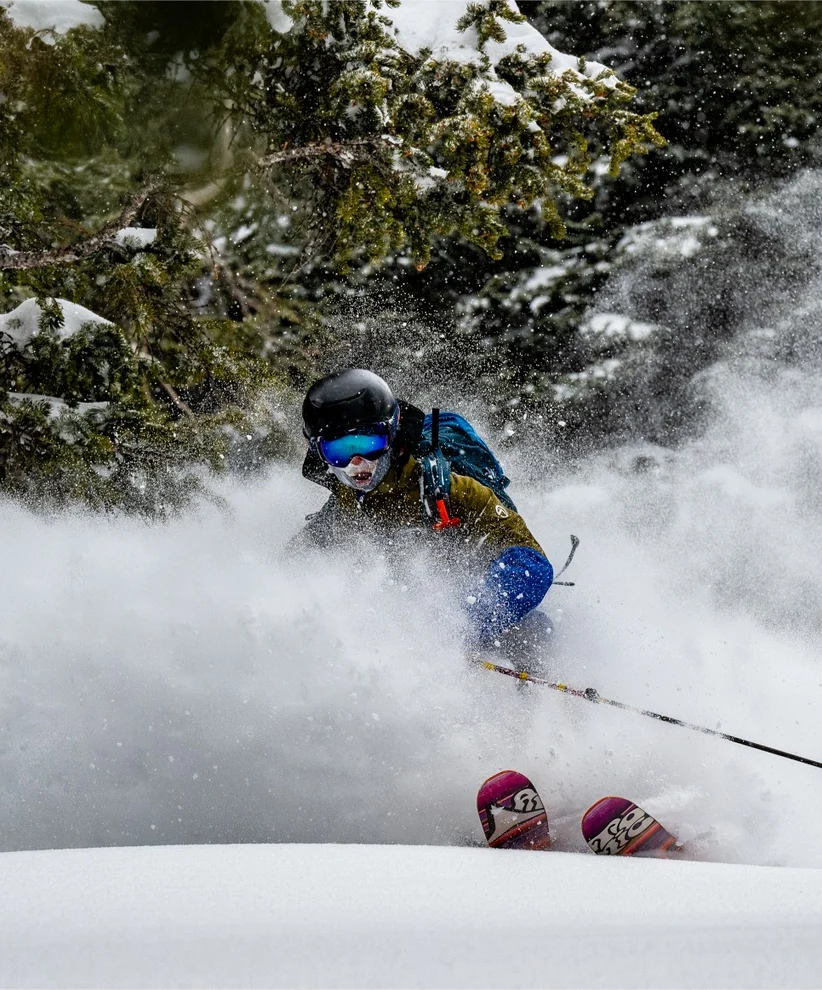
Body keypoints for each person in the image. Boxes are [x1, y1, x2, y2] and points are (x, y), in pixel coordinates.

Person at [296, 368, 554, 660]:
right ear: (318, 453)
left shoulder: (450, 489)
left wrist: (463, 623)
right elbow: (294, 566)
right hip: (398, 618)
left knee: (534, 634)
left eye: (370, 443)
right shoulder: (344, 504)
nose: (358, 463)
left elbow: (532, 565)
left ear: (392, 433)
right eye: (338, 449)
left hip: (472, 600)